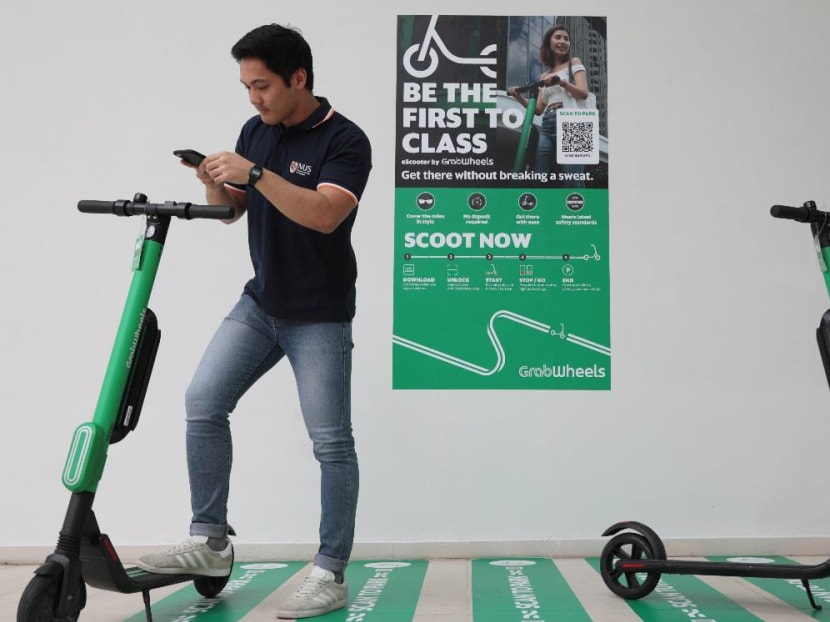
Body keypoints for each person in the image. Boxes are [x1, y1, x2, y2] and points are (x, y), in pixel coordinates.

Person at [136, 23, 372, 619]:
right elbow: (232, 213)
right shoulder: (255, 132)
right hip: (261, 304)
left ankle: (330, 571)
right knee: (203, 401)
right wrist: (215, 183)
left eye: (261, 85)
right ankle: (210, 541)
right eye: (245, 87)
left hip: (319, 314)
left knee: (331, 443)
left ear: (299, 78)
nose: (253, 98)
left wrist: (258, 175)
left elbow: (323, 215)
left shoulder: (346, 140)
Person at [508, 24, 589, 185]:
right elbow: (538, 109)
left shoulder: (574, 62)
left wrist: (561, 82)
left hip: (574, 120)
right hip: (548, 123)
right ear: (549, 43)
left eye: (566, 39)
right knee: (540, 175)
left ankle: (578, 202)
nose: (562, 41)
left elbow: (584, 93)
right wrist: (518, 96)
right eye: (558, 37)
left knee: (572, 177)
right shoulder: (544, 75)